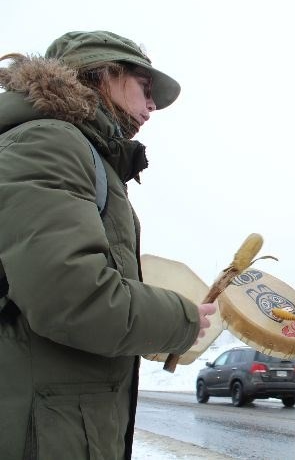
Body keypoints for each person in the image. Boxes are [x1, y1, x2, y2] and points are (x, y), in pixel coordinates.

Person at [0, 31, 216, 460]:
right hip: (41, 433)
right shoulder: (49, 142)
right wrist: (182, 318)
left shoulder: (82, 153)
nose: (152, 106)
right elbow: (72, 298)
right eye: (145, 88)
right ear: (103, 74)